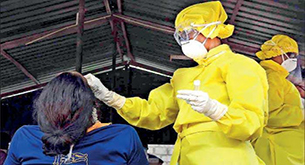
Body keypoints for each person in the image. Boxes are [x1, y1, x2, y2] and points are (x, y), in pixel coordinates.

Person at [85, 1, 268, 164]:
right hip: (185, 154)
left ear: (213, 29)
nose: (185, 40)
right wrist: (110, 97)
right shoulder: (183, 76)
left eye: (190, 32)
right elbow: (152, 112)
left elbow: (251, 123)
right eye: (181, 35)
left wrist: (216, 110)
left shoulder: (240, 65)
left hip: (226, 156)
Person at [4, 72, 148, 165]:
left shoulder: (25, 136)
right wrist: (110, 97)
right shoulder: (123, 136)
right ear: (93, 106)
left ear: (44, 105)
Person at [252, 34, 304, 165]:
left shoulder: (277, 77)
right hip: (277, 149)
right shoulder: (272, 77)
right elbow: (271, 115)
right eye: (290, 54)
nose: (293, 60)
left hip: (282, 148)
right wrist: (302, 113)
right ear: (275, 53)